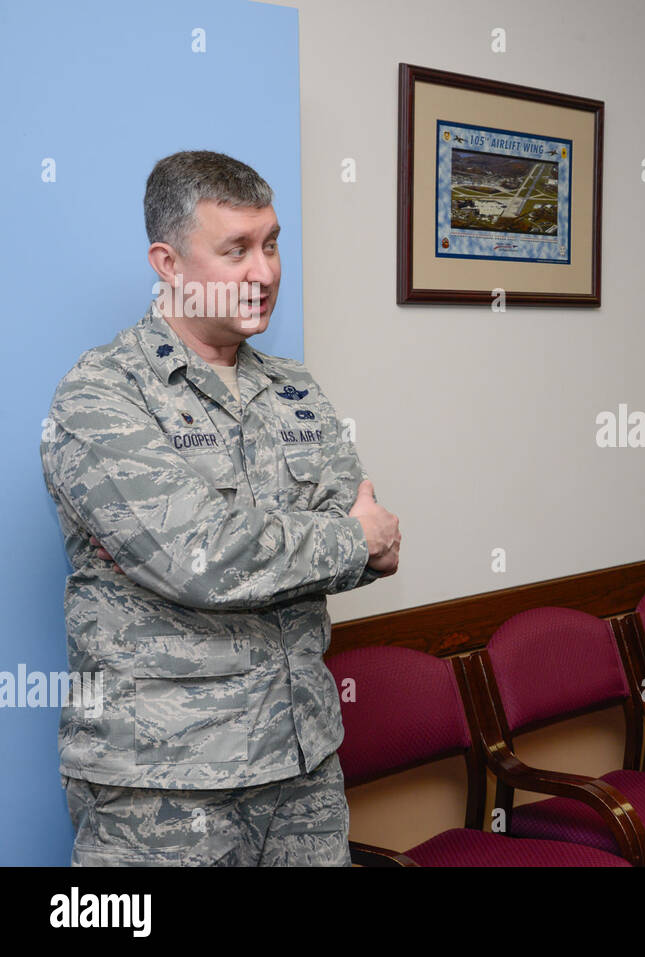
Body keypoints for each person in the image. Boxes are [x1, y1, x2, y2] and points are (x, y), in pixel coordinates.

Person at [40, 150, 400, 866]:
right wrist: (345, 540)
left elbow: (375, 542)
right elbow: (200, 558)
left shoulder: (295, 390)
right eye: (235, 249)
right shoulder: (100, 396)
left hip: (303, 769)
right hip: (162, 787)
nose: (263, 272)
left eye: (270, 244)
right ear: (168, 263)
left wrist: (341, 541)